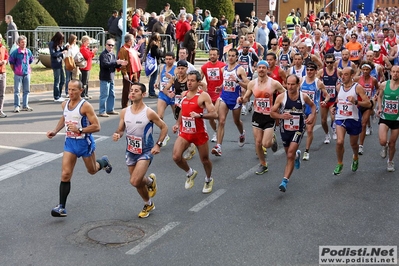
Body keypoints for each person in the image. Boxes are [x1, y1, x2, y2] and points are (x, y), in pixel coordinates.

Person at [47, 79, 113, 217]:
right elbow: (65, 117)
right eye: (69, 89)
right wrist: (55, 130)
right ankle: (61, 207)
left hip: (84, 143)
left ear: (81, 90)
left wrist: (80, 129)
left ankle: (104, 162)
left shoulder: (85, 106)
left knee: (92, 170)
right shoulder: (65, 104)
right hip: (70, 143)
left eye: (73, 90)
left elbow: (97, 126)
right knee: (65, 174)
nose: (70, 92)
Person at [112, 82, 168, 218]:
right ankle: (149, 198)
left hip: (146, 151)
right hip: (131, 151)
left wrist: (158, 145)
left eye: (136, 91)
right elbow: (121, 129)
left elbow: (164, 127)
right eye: (131, 90)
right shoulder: (125, 111)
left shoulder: (149, 112)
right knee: (137, 181)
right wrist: (118, 134)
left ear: (143, 95)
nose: (132, 93)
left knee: (135, 181)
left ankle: (148, 187)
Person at [172, 70, 218, 193]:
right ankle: (190, 173)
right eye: (188, 80)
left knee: (204, 160)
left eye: (192, 80)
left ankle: (208, 179)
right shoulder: (184, 94)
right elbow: (183, 110)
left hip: (199, 133)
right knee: (176, 157)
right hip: (185, 132)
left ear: (199, 82)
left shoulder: (203, 96)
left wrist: (200, 116)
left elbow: (214, 114)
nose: (189, 83)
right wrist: (177, 123)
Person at [239, 60, 286, 175]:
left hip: (269, 115)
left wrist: (278, 105)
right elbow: (246, 98)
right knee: (258, 142)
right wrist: (241, 100)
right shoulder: (252, 83)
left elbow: (285, 94)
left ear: (267, 69)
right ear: (256, 69)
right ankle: (263, 164)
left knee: (266, 144)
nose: (261, 70)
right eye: (259, 67)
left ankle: (272, 139)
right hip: (257, 115)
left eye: (263, 68)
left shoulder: (274, 83)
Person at [271, 74, 316, 192]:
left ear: (298, 85)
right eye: (288, 84)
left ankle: (284, 181)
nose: (290, 87)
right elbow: (272, 113)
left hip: (298, 128)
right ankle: (297, 156)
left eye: (293, 84)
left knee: (290, 154)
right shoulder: (281, 97)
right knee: (289, 154)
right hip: (285, 128)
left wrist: (311, 116)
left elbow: (313, 107)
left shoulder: (303, 97)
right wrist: (281, 115)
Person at [332, 67, 371, 175]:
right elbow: (338, 100)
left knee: (353, 144)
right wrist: (334, 107)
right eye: (342, 75)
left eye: (346, 74)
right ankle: (340, 163)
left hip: (353, 119)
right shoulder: (339, 87)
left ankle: (355, 157)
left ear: (352, 75)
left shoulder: (357, 88)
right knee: (339, 141)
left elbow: (368, 103)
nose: (343, 77)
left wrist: (356, 101)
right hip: (341, 118)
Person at [211, 48, 250, 156]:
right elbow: (225, 82)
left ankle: (242, 133)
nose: (231, 57)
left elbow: (248, 85)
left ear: (237, 57)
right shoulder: (223, 69)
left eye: (233, 55)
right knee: (221, 121)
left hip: (236, 99)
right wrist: (220, 87)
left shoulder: (240, 69)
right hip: (224, 97)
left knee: (236, 121)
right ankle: (218, 146)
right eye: (229, 55)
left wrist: (237, 81)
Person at [300, 61, 329, 161]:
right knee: (299, 130)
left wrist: (325, 101)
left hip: (312, 109)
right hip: (301, 109)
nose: (309, 72)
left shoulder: (318, 83)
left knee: (309, 130)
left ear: (316, 71)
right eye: (307, 70)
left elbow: (327, 95)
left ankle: (306, 151)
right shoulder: (301, 80)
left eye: (311, 70)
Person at [200, 48, 226, 142]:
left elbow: (227, 79)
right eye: (210, 54)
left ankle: (219, 134)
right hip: (209, 95)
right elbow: (199, 80)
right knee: (211, 117)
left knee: (217, 115)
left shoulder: (223, 66)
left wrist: (222, 86)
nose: (212, 56)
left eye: (214, 54)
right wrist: (201, 87)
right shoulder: (204, 67)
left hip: (220, 93)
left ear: (218, 56)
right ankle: (216, 131)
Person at [377, 65, 399, 172]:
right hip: (385, 116)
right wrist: (380, 108)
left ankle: (390, 161)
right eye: (393, 72)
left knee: (392, 143)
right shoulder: (384, 85)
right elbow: (379, 96)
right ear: (390, 73)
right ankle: (384, 147)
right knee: (382, 141)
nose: (395, 74)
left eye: (397, 72)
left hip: (397, 119)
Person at [354, 61, 378, 155]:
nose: (365, 71)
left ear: (370, 70)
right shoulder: (357, 79)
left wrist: (375, 96)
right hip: (358, 104)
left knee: (363, 124)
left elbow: (378, 88)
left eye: (367, 69)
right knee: (357, 124)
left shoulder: (374, 80)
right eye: (363, 69)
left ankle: (361, 146)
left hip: (368, 104)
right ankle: (372, 114)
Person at [99, 38, 127, 117]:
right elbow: (105, 64)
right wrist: (116, 62)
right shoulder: (103, 55)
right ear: (105, 45)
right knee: (104, 95)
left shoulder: (113, 54)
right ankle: (102, 111)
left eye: (112, 45)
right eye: (109, 45)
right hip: (105, 77)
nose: (110, 47)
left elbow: (114, 65)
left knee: (112, 94)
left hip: (111, 77)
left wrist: (120, 63)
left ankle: (110, 109)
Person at [318, 53, 341, 143]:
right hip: (324, 99)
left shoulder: (338, 71)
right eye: (327, 62)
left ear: (334, 62)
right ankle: (327, 134)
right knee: (323, 121)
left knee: (333, 117)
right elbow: (316, 82)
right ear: (325, 62)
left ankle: (334, 129)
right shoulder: (321, 72)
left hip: (333, 99)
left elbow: (342, 83)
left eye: (331, 62)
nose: (329, 64)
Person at [155, 52, 176, 146]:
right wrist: (157, 82)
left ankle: (183, 134)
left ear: (174, 59)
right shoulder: (162, 67)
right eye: (166, 59)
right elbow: (160, 75)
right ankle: (165, 134)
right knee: (159, 116)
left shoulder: (176, 69)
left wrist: (171, 77)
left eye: (170, 59)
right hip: (163, 93)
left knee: (177, 116)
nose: (168, 61)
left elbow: (179, 81)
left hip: (173, 95)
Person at [9, 35, 34, 113]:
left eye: (25, 42)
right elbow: (11, 62)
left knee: (26, 90)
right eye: (22, 42)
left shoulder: (28, 51)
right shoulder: (15, 52)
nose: (24, 44)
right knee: (17, 91)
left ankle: (25, 105)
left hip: (27, 73)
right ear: (19, 43)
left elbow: (30, 60)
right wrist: (15, 70)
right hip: (18, 74)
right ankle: (16, 106)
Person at [118, 34, 142, 108]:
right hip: (128, 72)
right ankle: (124, 105)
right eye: (133, 40)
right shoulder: (123, 50)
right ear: (129, 41)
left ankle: (134, 104)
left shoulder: (131, 48)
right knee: (127, 90)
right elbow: (123, 63)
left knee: (135, 88)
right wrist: (125, 73)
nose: (134, 41)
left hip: (134, 71)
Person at [49, 32, 68, 102]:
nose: (61, 41)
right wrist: (61, 53)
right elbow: (53, 54)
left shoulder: (59, 44)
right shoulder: (52, 43)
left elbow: (61, 49)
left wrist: (66, 47)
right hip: (55, 63)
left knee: (63, 80)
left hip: (60, 63)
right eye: (61, 39)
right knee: (57, 80)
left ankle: (59, 95)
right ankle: (56, 96)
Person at [145, 33, 165, 98]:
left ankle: (151, 91)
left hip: (153, 62)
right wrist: (161, 51)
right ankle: (151, 92)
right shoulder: (154, 45)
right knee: (154, 78)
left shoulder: (151, 44)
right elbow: (158, 54)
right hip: (155, 63)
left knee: (153, 78)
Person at [79, 35, 98, 100]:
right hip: (84, 67)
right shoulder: (83, 49)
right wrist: (92, 52)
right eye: (88, 41)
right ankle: (83, 94)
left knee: (86, 81)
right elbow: (87, 56)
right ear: (84, 41)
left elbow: (91, 56)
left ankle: (86, 93)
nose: (89, 43)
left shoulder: (86, 48)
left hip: (87, 66)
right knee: (84, 81)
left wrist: (93, 52)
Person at [0, 34, 8, 118]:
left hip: (2, 72)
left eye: (0, 38)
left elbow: (6, 56)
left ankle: (0, 110)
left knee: (2, 93)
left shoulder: (3, 48)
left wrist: (5, 61)